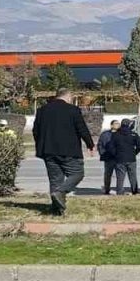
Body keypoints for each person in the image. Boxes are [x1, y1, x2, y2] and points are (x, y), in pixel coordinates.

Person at [32, 88, 94, 216]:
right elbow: (81, 128)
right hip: (69, 150)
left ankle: (57, 211)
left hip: (48, 150)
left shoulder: (42, 110)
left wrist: (40, 145)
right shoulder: (73, 110)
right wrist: (90, 144)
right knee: (77, 174)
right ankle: (61, 192)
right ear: (69, 96)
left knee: (55, 180)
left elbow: (35, 130)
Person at [110, 118, 140, 195]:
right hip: (131, 158)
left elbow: (111, 147)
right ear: (129, 125)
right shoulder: (133, 134)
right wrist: (134, 153)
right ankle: (134, 191)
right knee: (133, 176)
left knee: (120, 176)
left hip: (120, 158)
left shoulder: (115, 135)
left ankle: (120, 191)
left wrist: (116, 154)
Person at [98, 120, 119, 195]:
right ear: (111, 125)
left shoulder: (121, 133)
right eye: (116, 123)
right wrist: (102, 154)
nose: (118, 125)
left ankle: (119, 190)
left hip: (118, 158)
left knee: (119, 175)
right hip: (108, 158)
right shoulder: (105, 134)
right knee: (107, 174)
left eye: (118, 124)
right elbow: (100, 145)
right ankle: (107, 189)